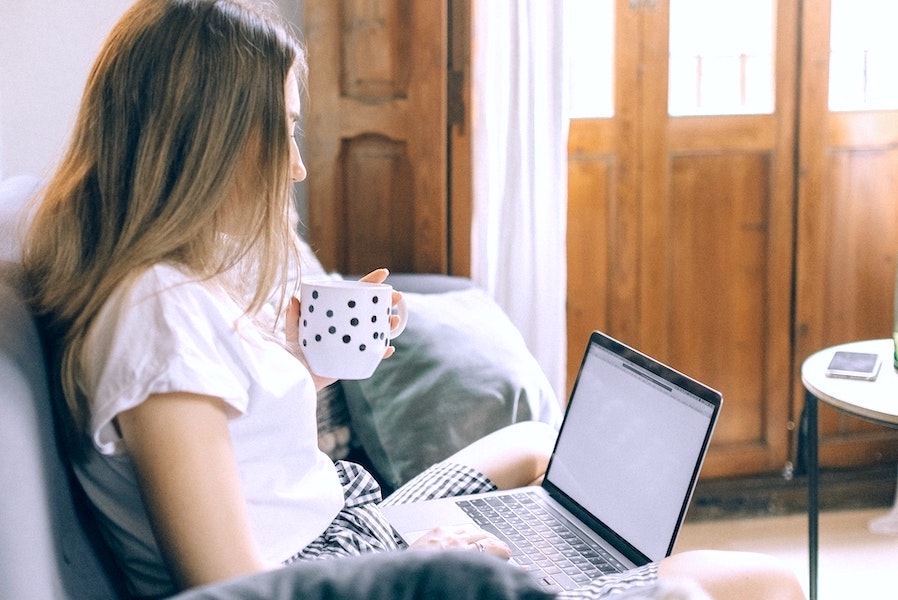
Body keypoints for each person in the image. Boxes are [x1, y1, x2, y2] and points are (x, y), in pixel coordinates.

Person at [22, 1, 806, 599]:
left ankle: (580, 566)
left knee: (535, 439)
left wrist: (303, 366)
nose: (296, 169)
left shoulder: (163, 282)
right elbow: (232, 588)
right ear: (210, 140)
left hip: (352, 523)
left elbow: (239, 447)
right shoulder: (157, 313)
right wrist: (430, 565)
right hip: (340, 566)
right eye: (285, 135)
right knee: (763, 583)